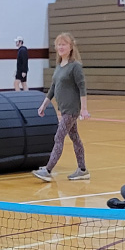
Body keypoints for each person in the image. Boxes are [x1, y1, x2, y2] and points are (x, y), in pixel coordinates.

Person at [32, 32, 90, 182]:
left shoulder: (75, 66)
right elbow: (53, 88)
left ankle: (48, 169)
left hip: (72, 109)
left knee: (59, 137)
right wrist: (44, 104)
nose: (61, 47)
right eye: (59, 44)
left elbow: (82, 87)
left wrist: (84, 109)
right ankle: (82, 170)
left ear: (71, 47)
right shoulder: (59, 66)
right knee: (75, 138)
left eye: (64, 44)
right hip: (64, 109)